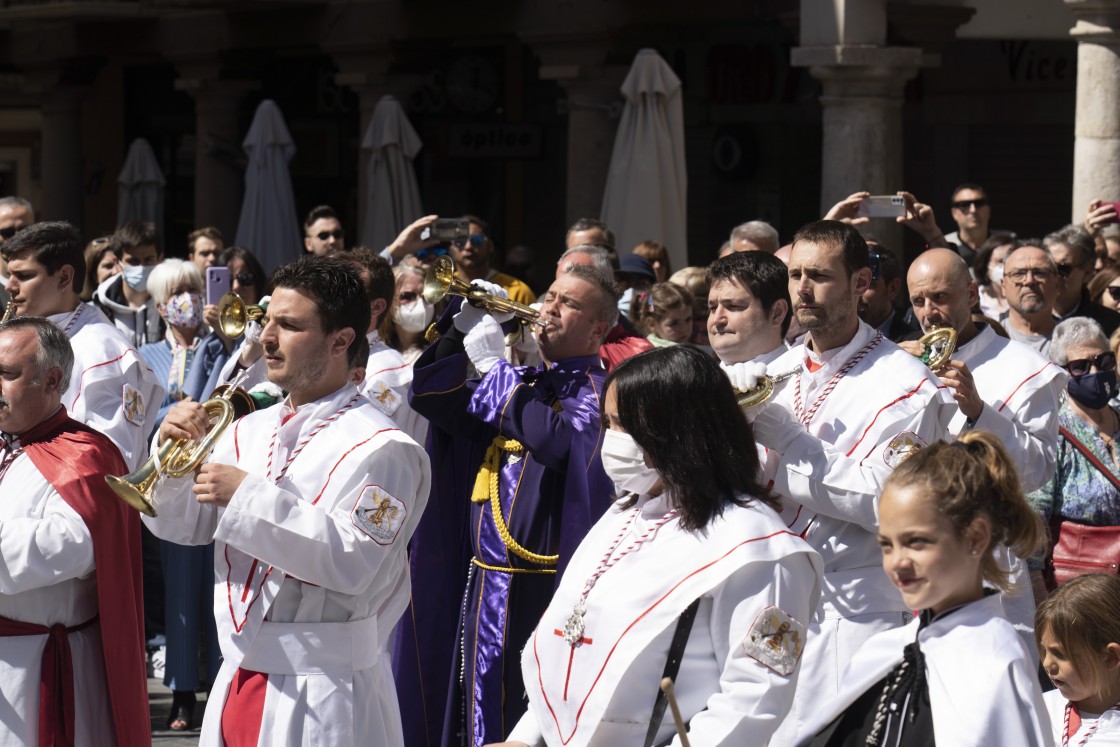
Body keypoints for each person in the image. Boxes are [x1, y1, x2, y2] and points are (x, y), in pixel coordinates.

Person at [142, 254, 431, 746]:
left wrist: (246, 497)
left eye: (290, 325)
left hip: (324, 692)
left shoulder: (385, 448)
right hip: (238, 676)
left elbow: (353, 562)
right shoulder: (248, 429)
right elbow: (183, 526)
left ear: (341, 341)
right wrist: (169, 461)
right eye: (268, 321)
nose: (267, 339)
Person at [494, 345, 823, 747]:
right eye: (607, 423)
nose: (608, 440)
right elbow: (570, 646)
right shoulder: (626, 513)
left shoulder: (755, 547)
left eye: (621, 425)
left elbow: (754, 698)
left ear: (675, 431)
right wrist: (525, 738)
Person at [722, 220, 955, 743]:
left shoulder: (905, 384)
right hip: (771, 598)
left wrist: (790, 442)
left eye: (820, 276)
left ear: (860, 283)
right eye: (795, 275)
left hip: (852, 610)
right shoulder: (776, 372)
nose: (803, 289)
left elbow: (889, 502)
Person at [403, 264, 618, 746]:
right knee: (472, 712)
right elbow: (434, 399)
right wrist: (458, 331)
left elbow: (564, 443)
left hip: (542, 592)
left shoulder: (599, 391)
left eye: (569, 304)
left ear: (598, 328)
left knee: (524, 716)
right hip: (484, 581)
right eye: (550, 296)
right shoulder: (526, 384)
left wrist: (494, 369)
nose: (550, 309)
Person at [795, 432, 1052, 746]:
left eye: (916, 542)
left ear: (975, 538)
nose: (898, 562)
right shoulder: (885, 651)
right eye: (887, 546)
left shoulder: (993, 665)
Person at [902, 247, 1067, 654]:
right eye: (918, 301)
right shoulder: (900, 363)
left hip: (988, 556)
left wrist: (979, 411)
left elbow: (1038, 470)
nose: (929, 313)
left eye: (940, 297)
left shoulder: (1025, 368)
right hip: (912, 555)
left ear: (972, 294)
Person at [0, 316, 148, 745]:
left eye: (7, 374)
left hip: (36, 667)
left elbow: (72, 545)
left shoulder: (88, 456)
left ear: (51, 380)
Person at [2, 221, 163, 470]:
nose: (10, 286)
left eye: (23, 276)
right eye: (10, 275)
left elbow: (112, 459)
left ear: (64, 277)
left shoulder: (103, 352)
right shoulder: (22, 333)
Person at [138, 257, 220, 730]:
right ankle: (183, 692)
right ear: (159, 305)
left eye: (193, 288)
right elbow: (144, 416)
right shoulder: (146, 355)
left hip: (216, 475)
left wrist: (221, 342)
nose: (187, 299)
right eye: (176, 293)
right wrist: (168, 417)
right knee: (181, 594)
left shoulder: (221, 344)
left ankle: (222, 685)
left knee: (221, 586)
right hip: (172, 486)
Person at [1028, 318, 1120, 600]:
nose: (1095, 372)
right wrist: (1039, 593)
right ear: (1062, 372)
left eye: (1103, 361)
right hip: (1078, 595)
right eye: (1080, 366)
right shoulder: (1052, 433)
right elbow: (1033, 520)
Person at [342, 248, 427, 447]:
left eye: (348, 290)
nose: (332, 297)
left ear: (376, 307)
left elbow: (373, 450)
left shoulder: (386, 374)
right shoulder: (343, 357)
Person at [1037, 573, 1120, 745]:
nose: (1047, 663)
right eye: (1044, 651)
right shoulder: (1038, 710)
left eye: (1060, 654)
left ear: (1111, 657)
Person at [558, 244, 653, 370]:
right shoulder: (540, 339)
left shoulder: (638, 352)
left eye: (579, 283)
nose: (561, 296)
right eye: (556, 285)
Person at [707, 250, 791, 367]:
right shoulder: (695, 377)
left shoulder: (808, 377)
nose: (717, 320)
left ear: (777, 313)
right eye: (712, 308)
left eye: (733, 306)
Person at [93, 219, 165, 347]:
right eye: (133, 261)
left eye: (149, 260)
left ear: (160, 259)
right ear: (117, 262)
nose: (141, 268)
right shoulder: (97, 310)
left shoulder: (169, 306)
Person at [1047, 224, 1120, 335]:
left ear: (1087, 273)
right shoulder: (1024, 316)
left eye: (1063, 269)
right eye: (1048, 268)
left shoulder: (1111, 325)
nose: (1054, 275)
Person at [451, 214, 536, 305]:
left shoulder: (519, 291)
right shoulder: (443, 284)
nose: (468, 246)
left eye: (476, 240)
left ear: (490, 246)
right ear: (451, 247)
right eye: (460, 241)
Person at [1001, 241, 1061, 357]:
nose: (1029, 280)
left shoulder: (1076, 341)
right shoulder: (987, 340)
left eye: (1039, 273)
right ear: (1003, 286)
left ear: (1057, 284)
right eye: (1018, 274)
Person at [857, 246, 921, 342]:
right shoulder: (836, 339)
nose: (856, 294)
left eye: (867, 285)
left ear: (893, 288)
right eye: (851, 284)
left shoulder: (914, 343)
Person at [387, 263, 432, 364]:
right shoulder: (375, 349)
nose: (420, 302)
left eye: (426, 296)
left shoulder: (441, 351)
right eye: (407, 296)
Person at [945, 183, 998, 263]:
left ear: (988, 210)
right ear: (954, 213)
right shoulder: (945, 245)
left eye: (979, 203)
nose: (973, 210)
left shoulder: (1007, 242)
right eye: (964, 204)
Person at [631, 281, 693, 347]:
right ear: (652, 324)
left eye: (688, 319)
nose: (684, 329)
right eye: (673, 323)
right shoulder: (653, 350)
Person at [974, 232, 1017, 319]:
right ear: (985, 267)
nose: (1006, 266)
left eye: (1010, 260)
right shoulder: (974, 300)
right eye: (1000, 261)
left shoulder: (1025, 297)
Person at [81, 236, 118, 301]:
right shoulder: (87, 308)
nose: (116, 271)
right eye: (108, 266)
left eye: (120, 265)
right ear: (93, 274)